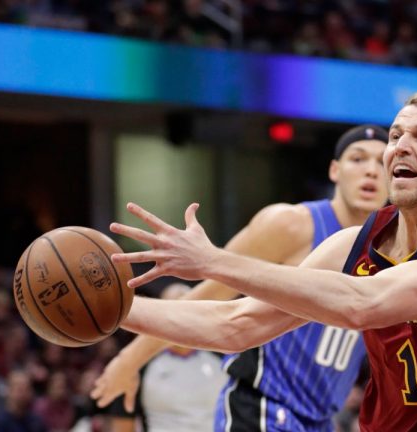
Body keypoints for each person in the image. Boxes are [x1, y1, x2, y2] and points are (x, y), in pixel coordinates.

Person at [103, 92, 417, 430]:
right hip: (273, 408)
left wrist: (214, 261)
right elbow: (236, 324)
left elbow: (363, 304)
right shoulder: (349, 242)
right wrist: (109, 311)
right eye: (396, 136)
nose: (399, 148)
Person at [91, 123, 389, 432]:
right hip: (264, 409)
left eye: (382, 162)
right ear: (334, 170)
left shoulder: (391, 252)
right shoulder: (291, 224)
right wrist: (130, 360)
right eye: (358, 159)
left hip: (320, 421)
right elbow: (207, 296)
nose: (371, 171)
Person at [105, 283, 228, 432]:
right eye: (173, 308)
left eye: (187, 308)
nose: (180, 317)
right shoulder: (139, 362)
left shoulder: (222, 356)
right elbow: (122, 424)